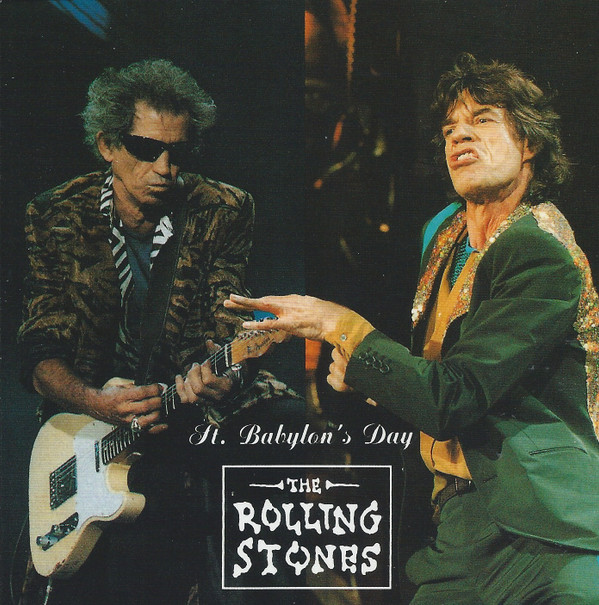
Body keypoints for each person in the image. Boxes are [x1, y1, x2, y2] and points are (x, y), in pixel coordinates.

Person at [225, 54, 599, 603]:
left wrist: (337, 323)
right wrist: (367, 376)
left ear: (530, 143)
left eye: (482, 120)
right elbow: (439, 379)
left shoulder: (538, 250)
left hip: (544, 531)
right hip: (457, 524)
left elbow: (455, 395)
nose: (459, 137)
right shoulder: (444, 234)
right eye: (450, 129)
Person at [18, 59, 295, 605]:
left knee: (289, 429)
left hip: (182, 408)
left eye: (178, 152)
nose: (165, 167)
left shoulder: (224, 209)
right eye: (146, 149)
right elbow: (40, 345)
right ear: (107, 145)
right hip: (89, 424)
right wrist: (94, 402)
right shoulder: (55, 213)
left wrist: (226, 373)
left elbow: (228, 316)